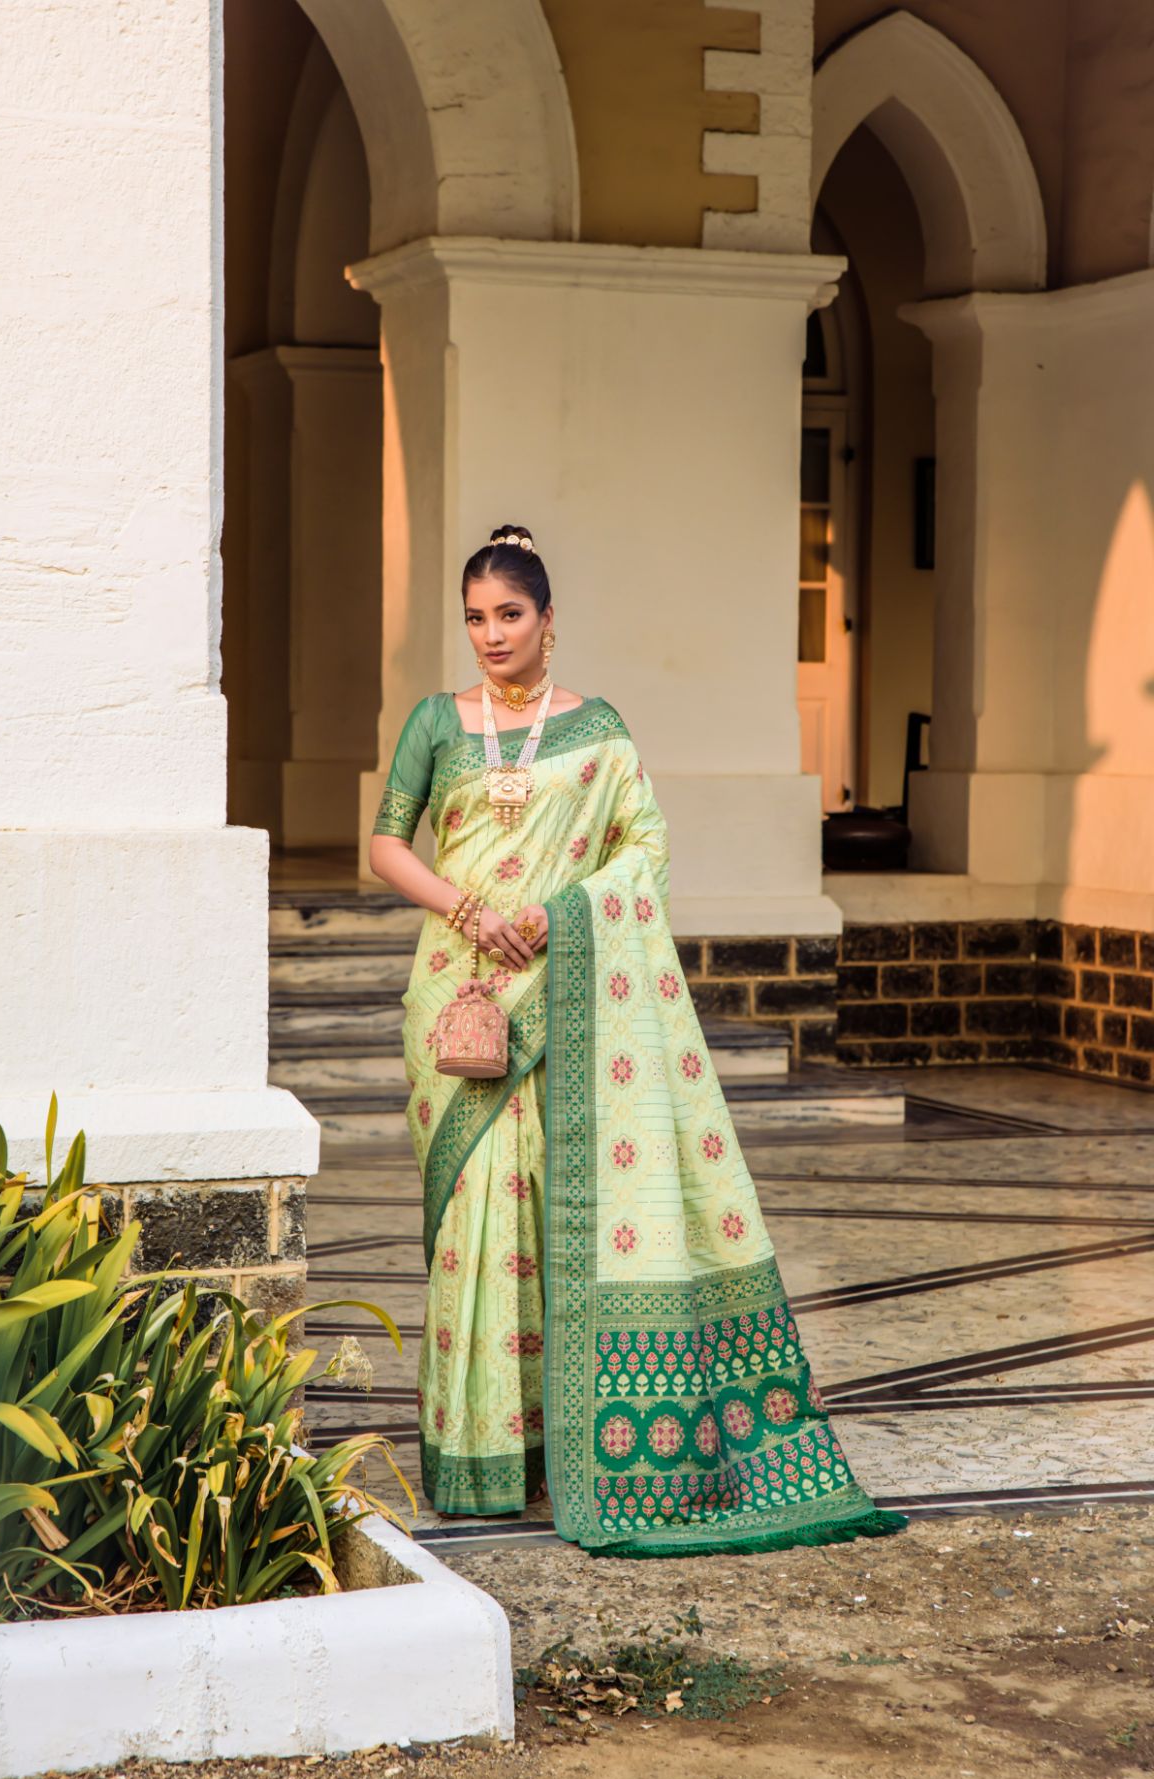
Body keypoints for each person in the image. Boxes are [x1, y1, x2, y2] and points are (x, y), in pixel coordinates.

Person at [367, 523, 908, 1558]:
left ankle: (554, 1447)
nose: (491, 634)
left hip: (562, 985)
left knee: (549, 1199)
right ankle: (476, 1455)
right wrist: (469, 910)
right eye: (476, 617)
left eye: (509, 615)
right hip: (460, 990)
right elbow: (389, 842)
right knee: (478, 1208)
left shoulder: (600, 730)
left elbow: (645, 852)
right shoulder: (437, 723)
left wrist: (562, 913)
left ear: (548, 620)